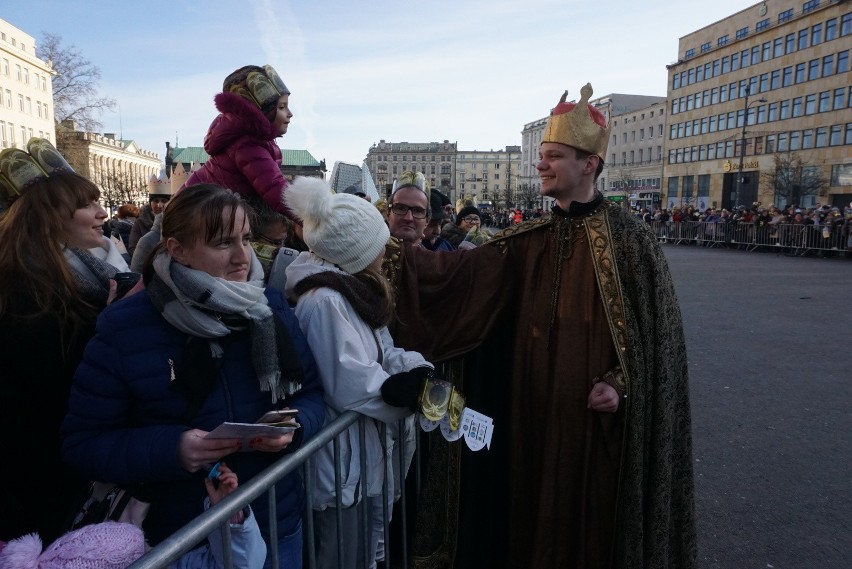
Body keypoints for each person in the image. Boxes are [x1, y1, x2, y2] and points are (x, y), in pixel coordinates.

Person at [384, 84, 695, 568]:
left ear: (589, 164)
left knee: (586, 519)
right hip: (526, 413)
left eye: (554, 156)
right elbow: (453, 279)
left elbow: (658, 342)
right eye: (542, 155)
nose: (541, 165)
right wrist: (377, 256)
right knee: (523, 511)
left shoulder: (633, 241)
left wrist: (621, 382)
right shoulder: (523, 242)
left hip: (592, 422)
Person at [61, 184, 325, 568]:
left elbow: (312, 395)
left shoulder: (269, 305)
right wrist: (174, 449)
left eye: (246, 239)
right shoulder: (125, 326)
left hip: (275, 521)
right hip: (181, 537)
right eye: (222, 243)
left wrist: (294, 428)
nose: (241, 256)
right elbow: (83, 442)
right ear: (177, 249)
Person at [282, 176, 432, 569]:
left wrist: (415, 369)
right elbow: (351, 383)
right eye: (378, 244)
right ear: (356, 251)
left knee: (365, 551)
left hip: (362, 461)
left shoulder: (350, 290)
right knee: (342, 555)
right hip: (342, 468)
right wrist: (399, 392)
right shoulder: (325, 302)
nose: (386, 251)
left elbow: (383, 351)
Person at [0, 138, 132, 545]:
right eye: (87, 205)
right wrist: (113, 324)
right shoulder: (29, 295)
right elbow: (62, 391)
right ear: (50, 217)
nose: (102, 213)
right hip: (39, 486)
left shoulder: (79, 274)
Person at [184, 64, 295, 219]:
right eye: (282, 107)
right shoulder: (248, 144)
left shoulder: (253, 140)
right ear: (262, 111)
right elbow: (276, 191)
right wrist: (320, 217)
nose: (290, 114)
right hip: (192, 215)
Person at [386, 171, 431, 245]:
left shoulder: (434, 256)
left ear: (427, 221)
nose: (408, 218)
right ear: (388, 213)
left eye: (417, 211)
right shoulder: (370, 255)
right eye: (400, 208)